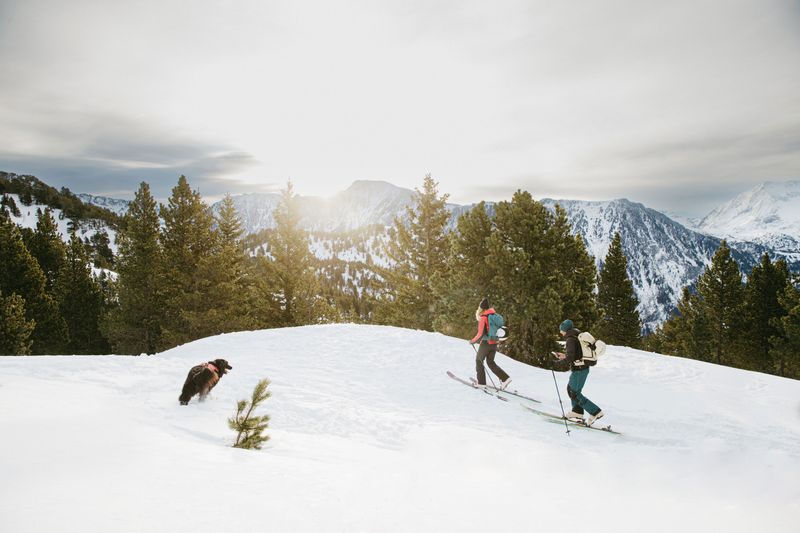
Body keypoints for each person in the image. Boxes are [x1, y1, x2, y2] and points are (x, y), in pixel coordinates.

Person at [554, 319, 604, 425]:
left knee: (574, 392)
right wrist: (563, 356)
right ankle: (577, 412)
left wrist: (557, 363)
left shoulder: (570, 339)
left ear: (565, 330)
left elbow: (571, 357)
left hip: (580, 369)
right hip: (582, 368)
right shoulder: (576, 335)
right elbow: (576, 354)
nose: (560, 332)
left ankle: (595, 411)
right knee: (573, 390)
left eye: (561, 330)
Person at [470, 298, 511, 390]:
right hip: (494, 342)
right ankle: (505, 378)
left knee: (479, 361)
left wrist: (472, 341)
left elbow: (480, 334)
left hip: (486, 343)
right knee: (490, 362)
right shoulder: (494, 316)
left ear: (481, 309)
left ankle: (481, 383)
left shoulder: (483, 317)